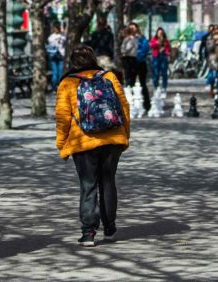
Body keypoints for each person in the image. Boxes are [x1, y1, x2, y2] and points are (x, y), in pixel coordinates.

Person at [55, 45, 130, 247]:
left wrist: (61, 145)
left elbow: (62, 117)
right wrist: (125, 136)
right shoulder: (109, 77)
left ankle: (88, 233)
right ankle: (110, 228)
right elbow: (124, 107)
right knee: (108, 182)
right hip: (112, 139)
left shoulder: (67, 83)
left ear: (72, 62)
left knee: (88, 186)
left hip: (83, 141)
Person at [132, 23, 152, 112]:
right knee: (130, 83)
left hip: (140, 62)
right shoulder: (127, 38)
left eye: (134, 27)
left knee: (143, 83)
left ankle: (147, 105)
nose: (132, 29)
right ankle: (130, 103)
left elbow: (146, 48)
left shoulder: (141, 38)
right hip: (130, 63)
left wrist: (137, 54)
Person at [47, 21, 67, 88]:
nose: (56, 29)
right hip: (55, 56)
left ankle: (58, 86)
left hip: (60, 56)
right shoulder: (51, 37)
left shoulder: (62, 36)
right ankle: (55, 87)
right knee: (55, 73)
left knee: (59, 73)